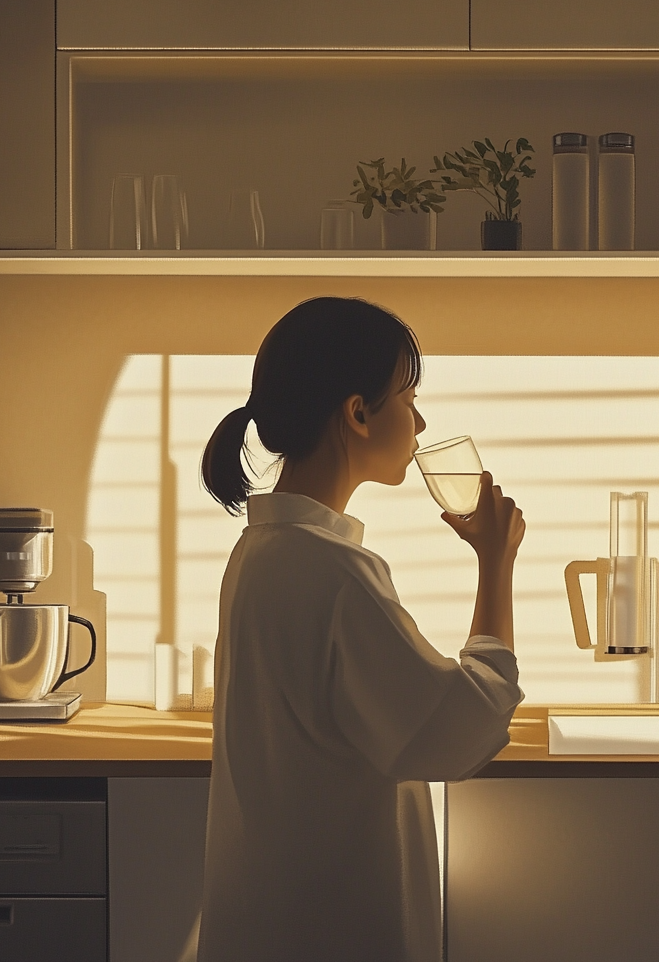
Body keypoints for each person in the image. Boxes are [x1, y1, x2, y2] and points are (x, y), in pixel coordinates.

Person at [196, 296, 525, 962]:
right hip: (330, 926)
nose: (420, 417)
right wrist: (496, 563)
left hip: (278, 916)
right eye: (407, 395)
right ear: (358, 413)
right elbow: (456, 735)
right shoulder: (332, 569)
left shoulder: (263, 549)